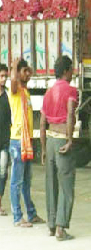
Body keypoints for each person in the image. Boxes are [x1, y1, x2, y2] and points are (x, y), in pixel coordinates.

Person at [40, 56, 78, 241]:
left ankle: (52, 224)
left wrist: (43, 148)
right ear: (66, 71)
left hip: (50, 139)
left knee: (51, 184)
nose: (73, 73)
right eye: (72, 69)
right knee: (66, 185)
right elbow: (70, 113)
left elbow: (42, 122)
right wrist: (70, 139)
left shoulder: (48, 92)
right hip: (63, 139)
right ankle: (61, 229)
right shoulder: (71, 90)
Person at [8, 58, 44, 228]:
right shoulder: (14, 90)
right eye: (25, 71)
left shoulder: (25, 92)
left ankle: (31, 213)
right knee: (17, 181)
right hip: (17, 141)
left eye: (29, 71)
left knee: (26, 181)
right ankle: (17, 217)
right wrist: (14, 67)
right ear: (18, 73)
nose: (28, 74)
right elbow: (13, 81)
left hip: (26, 141)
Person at [0, 64, 9, 217]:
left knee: (2, 171)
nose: (3, 79)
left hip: (5, 140)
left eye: (5, 76)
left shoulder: (8, 95)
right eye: (1, 76)